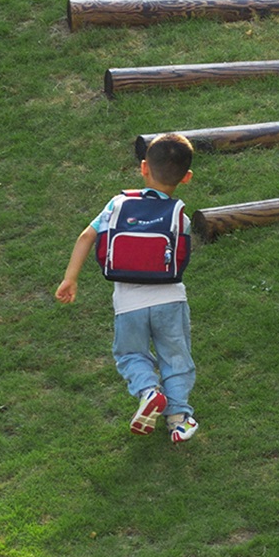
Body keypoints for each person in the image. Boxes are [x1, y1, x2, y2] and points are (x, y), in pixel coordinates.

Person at [55, 133, 200, 442]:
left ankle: (148, 391)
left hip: (128, 304)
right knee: (175, 358)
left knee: (130, 354)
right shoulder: (180, 216)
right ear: (186, 178)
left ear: (144, 167)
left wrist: (71, 278)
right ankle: (179, 418)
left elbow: (86, 237)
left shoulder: (118, 204)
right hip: (170, 299)